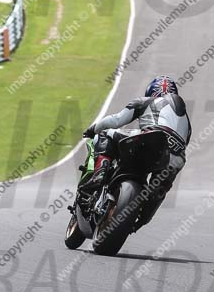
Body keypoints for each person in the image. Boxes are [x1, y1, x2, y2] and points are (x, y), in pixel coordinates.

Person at [81, 76, 192, 222]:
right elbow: (184, 143)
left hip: (149, 139)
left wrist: (93, 129)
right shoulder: (187, 122)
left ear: (150, 91)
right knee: (159, 187)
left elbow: (116, 120)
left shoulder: (145, 101)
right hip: (176, 157)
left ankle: (100, 173)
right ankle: (147, 213)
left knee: (103, 134)